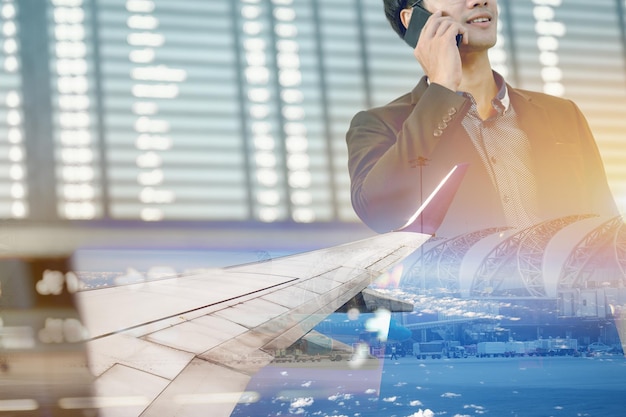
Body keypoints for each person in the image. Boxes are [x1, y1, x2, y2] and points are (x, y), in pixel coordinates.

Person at [346, 0, 618, 237]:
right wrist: (442, 88)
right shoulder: (378, 125)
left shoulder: (562, 114)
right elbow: (380, 213)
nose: (479, 1)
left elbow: (607, 228)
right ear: (414, 20)